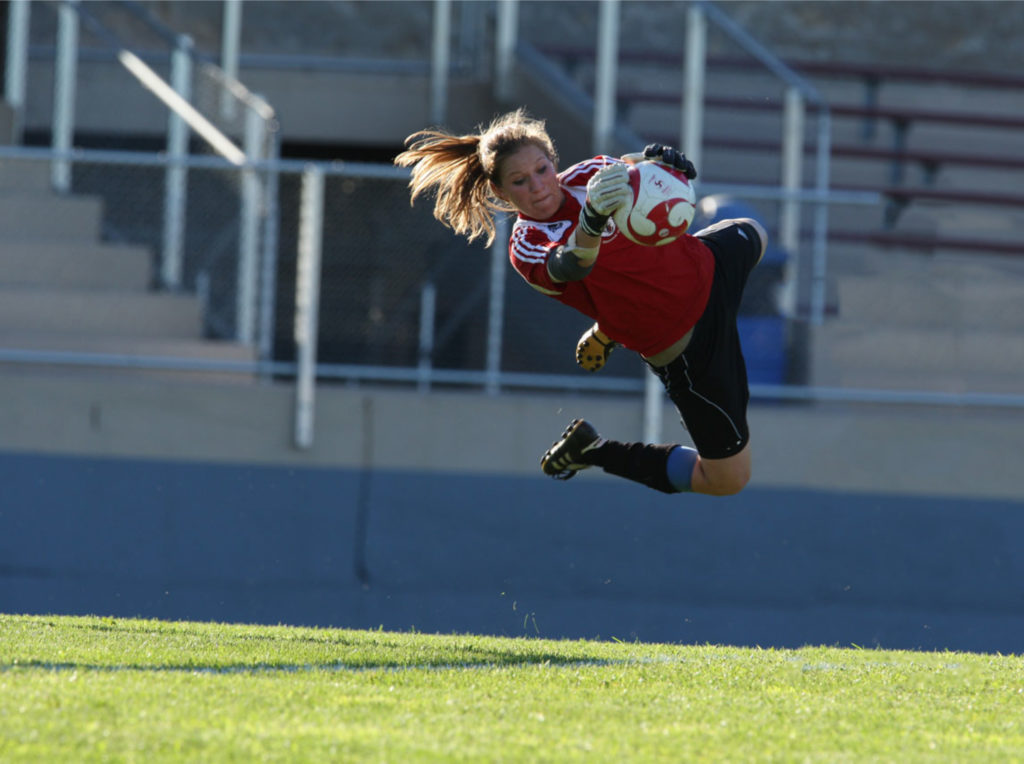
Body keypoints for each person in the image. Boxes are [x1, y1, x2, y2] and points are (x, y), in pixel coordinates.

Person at [394, 109, 766, 497]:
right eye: (519, 181)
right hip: (689, 345)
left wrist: (661, 165)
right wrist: (591, 220)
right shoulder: (527, 244)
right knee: (727, 480)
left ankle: (610, 330)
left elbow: (636, 175)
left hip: (707, 268)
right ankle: (594, 451)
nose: (537, 186)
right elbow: (570, 265)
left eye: (541, 169)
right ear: (501, 193)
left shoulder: (590, 174)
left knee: (755, 231)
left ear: (553, 160)